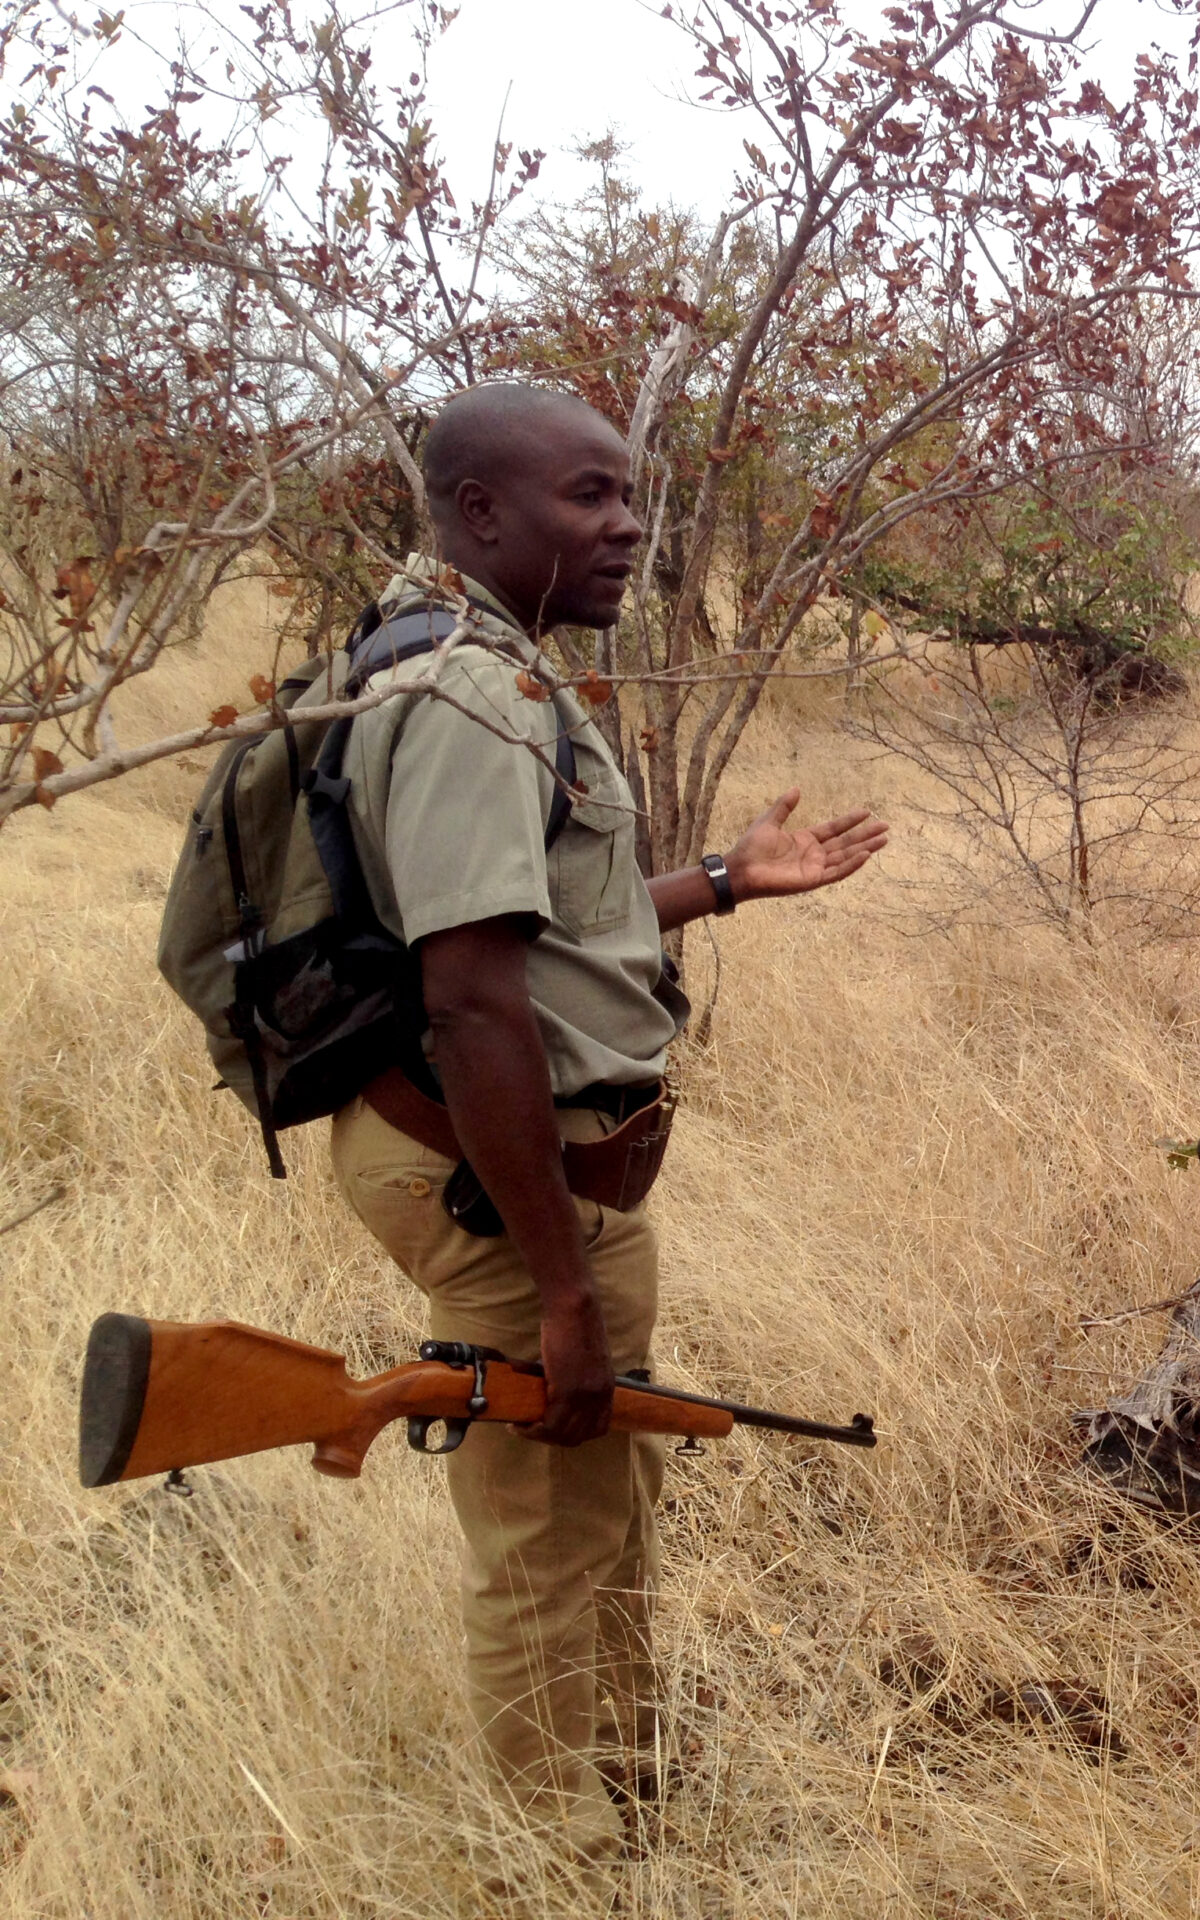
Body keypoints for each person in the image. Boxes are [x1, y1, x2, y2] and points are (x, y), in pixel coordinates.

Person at [328, 384, 888, 1873]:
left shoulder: (483, 665)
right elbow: (470, 1003)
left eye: (629, 494)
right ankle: (548, 1856)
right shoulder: (469, 697)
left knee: (601, 1489)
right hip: (502, 1179)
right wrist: (560, 1281)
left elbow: (536, 932)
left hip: (517, 1166)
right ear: (479, 511)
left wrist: (721, 881)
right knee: (543, 1526)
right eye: (589, 495)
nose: (630, 525)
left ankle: (625, 1785)